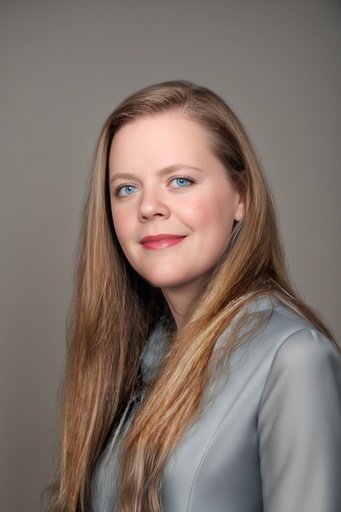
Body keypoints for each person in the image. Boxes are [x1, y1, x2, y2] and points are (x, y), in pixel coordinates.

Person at [47, 81, 341, 512]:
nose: (149, 207)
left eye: (180, 180)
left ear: (241, 197)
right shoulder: (137, 358)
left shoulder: (295, 359)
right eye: (126, 188)